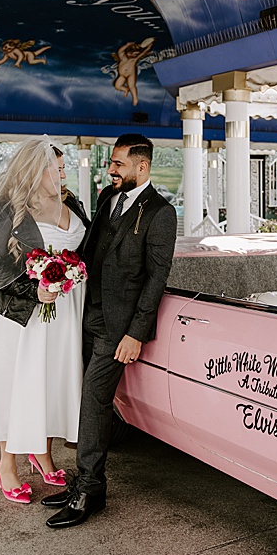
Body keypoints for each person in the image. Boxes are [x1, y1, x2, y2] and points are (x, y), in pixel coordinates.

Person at [43, 134, 176, 528]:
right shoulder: (106, 198)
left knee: (94, 399)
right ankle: (81, 481)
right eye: (111, 163)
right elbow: (90, 251)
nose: (111, 170)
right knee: (82, 397)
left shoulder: (160, 213)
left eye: (118, 164)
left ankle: (90, 490)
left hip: (118, 329)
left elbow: (157, 278)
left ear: (142, 167)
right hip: (86, 314)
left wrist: (136, 333)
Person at [0, 139, 88, 503]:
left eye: (63, 169)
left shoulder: (71, 202)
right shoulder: (4, 209)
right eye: (55, 169)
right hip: (21, 316)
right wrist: (35, 293)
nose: (62, 175)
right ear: (33, 170)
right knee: (16, 385)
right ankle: (6, 465)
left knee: (52, 382)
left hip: (66, 312)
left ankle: (42, 452)